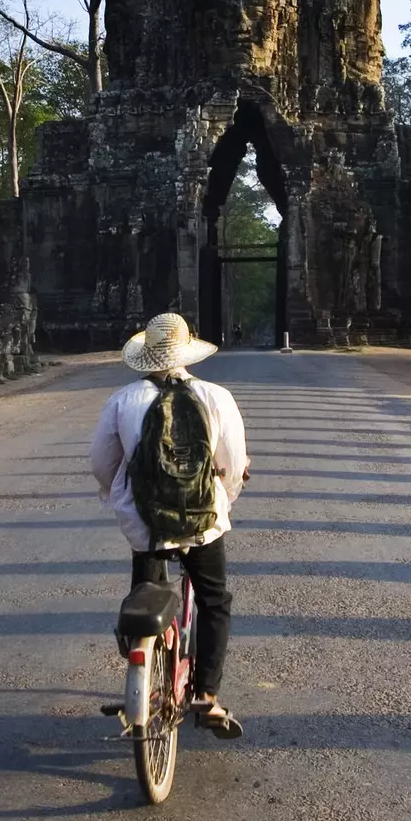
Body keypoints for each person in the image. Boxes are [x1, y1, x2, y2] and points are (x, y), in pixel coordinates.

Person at [89, 312, 249, 736]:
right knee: (214, 600)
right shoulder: (216, 396)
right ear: (187, 353)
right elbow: (232, 465)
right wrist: (222, 500)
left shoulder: (123, 400)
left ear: (147, 355)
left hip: (145, 523)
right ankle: (207, 695)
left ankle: (143, 663)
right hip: (203, 519)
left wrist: (121, 500)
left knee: (145, 592)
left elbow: (102, 465)